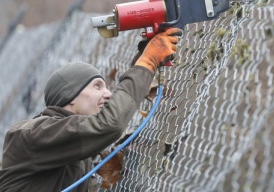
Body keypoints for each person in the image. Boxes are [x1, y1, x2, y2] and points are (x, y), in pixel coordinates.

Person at [0, 27, 182, 192]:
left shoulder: (76, 146)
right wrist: (147, 61)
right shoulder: (33, 134)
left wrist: (143, 60)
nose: (108, 94)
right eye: (97, 86)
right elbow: (109, 124)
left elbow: (115, 112)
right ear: (70, 96)